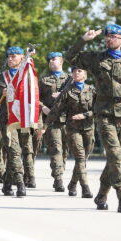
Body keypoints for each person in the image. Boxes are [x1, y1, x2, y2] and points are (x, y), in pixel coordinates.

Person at [65, 24, 121, 213]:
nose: (109, 39)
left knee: (118, 159)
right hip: (104, 113)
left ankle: (101, 195)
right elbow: (70, 58)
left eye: (114, 36)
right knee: (115, 155)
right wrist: (84, 40)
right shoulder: (96, 58)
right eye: (107, 36)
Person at [45, 67, 95, 198]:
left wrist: (85, 115)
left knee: (84, 160)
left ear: (85, 74)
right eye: (74, 71)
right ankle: (85, 187)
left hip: (89, 128)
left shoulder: (92, 90)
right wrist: (44, 126)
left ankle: (72, 183)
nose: (76, 73)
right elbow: (56, 110)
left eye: (79, 71)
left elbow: (98, 109)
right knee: (79, 157)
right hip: (73, 128)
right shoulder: (66, 91)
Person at [0, 46, 29, 197]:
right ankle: (20, 183)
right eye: (9, 56)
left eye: (14, 56)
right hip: (6, 120)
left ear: (21, 58)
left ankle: (6, 184)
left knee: (18, 152)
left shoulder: (27, 76)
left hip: (23, 119)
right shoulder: (0, 77)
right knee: (14, 150)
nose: (10, 58)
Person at [39, 52, 70, 192]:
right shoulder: (44, 79)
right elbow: (35, 98)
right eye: (49, 59)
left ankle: (60, 171)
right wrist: (43, 107)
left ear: (62, 61)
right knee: (56, 149)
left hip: (67, 120)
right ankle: (58, 179)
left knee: (65, 150)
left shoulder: (71, 79)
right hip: (51, 120)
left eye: (54, 59)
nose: (51, 61)